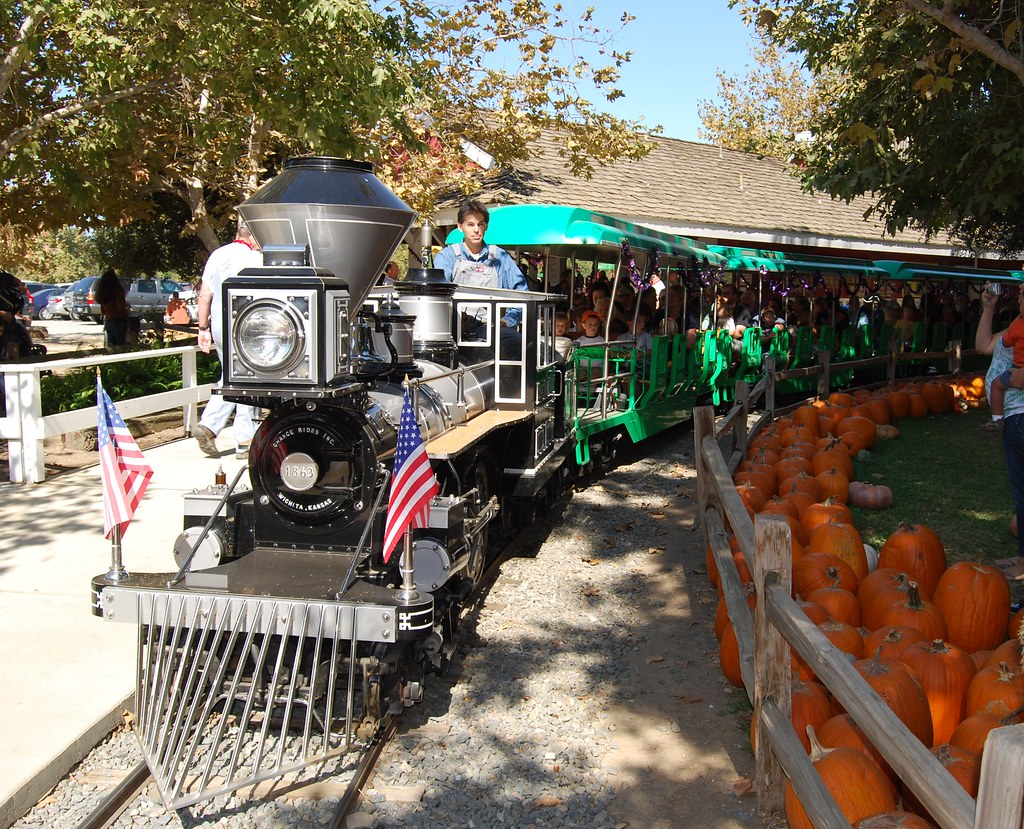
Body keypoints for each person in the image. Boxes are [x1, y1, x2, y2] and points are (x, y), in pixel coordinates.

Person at [194, 223, 262, 459]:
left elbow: (205, 295)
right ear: (253, 238)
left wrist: (203, 328)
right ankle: (244, 437)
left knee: (233, 375)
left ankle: (210, 426)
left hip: (220, 325)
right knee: (249, 378)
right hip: (248, 326)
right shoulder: (256, 258)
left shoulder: (218, 255)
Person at [433, 200, 528, 344]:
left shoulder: (501, 257)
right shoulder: (446, 256)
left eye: (480, 224)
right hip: (453, 330)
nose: (476, 230)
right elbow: (438, 294)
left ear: (486, 226)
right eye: (470, 225)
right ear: (460, 226)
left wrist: (508, 320)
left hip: (491, 328)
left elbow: (522, 292)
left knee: (525, 345)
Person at [976, 286, 1024, 557]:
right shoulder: (1017, 328)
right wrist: (989, 307)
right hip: (1014, 419)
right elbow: (983, 346)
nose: (1018, 297)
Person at [983, 286, 1024, 432]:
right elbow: (984, 346)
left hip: (1018, 414)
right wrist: (988, 308)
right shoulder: (1017, 324)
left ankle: (997, 419)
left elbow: (1006, 342)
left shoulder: (1017, 326)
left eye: (1021, 296)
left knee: (997, 385)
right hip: (1013, 416)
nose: (1018, 300)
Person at [93, 269, 130, 346]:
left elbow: (103, 311)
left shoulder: (103, 294)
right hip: (118, 321)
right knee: (120, 347)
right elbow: (120, 307)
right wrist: (127, 312)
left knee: (111, 346)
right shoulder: (117, 292)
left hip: (108, 321)